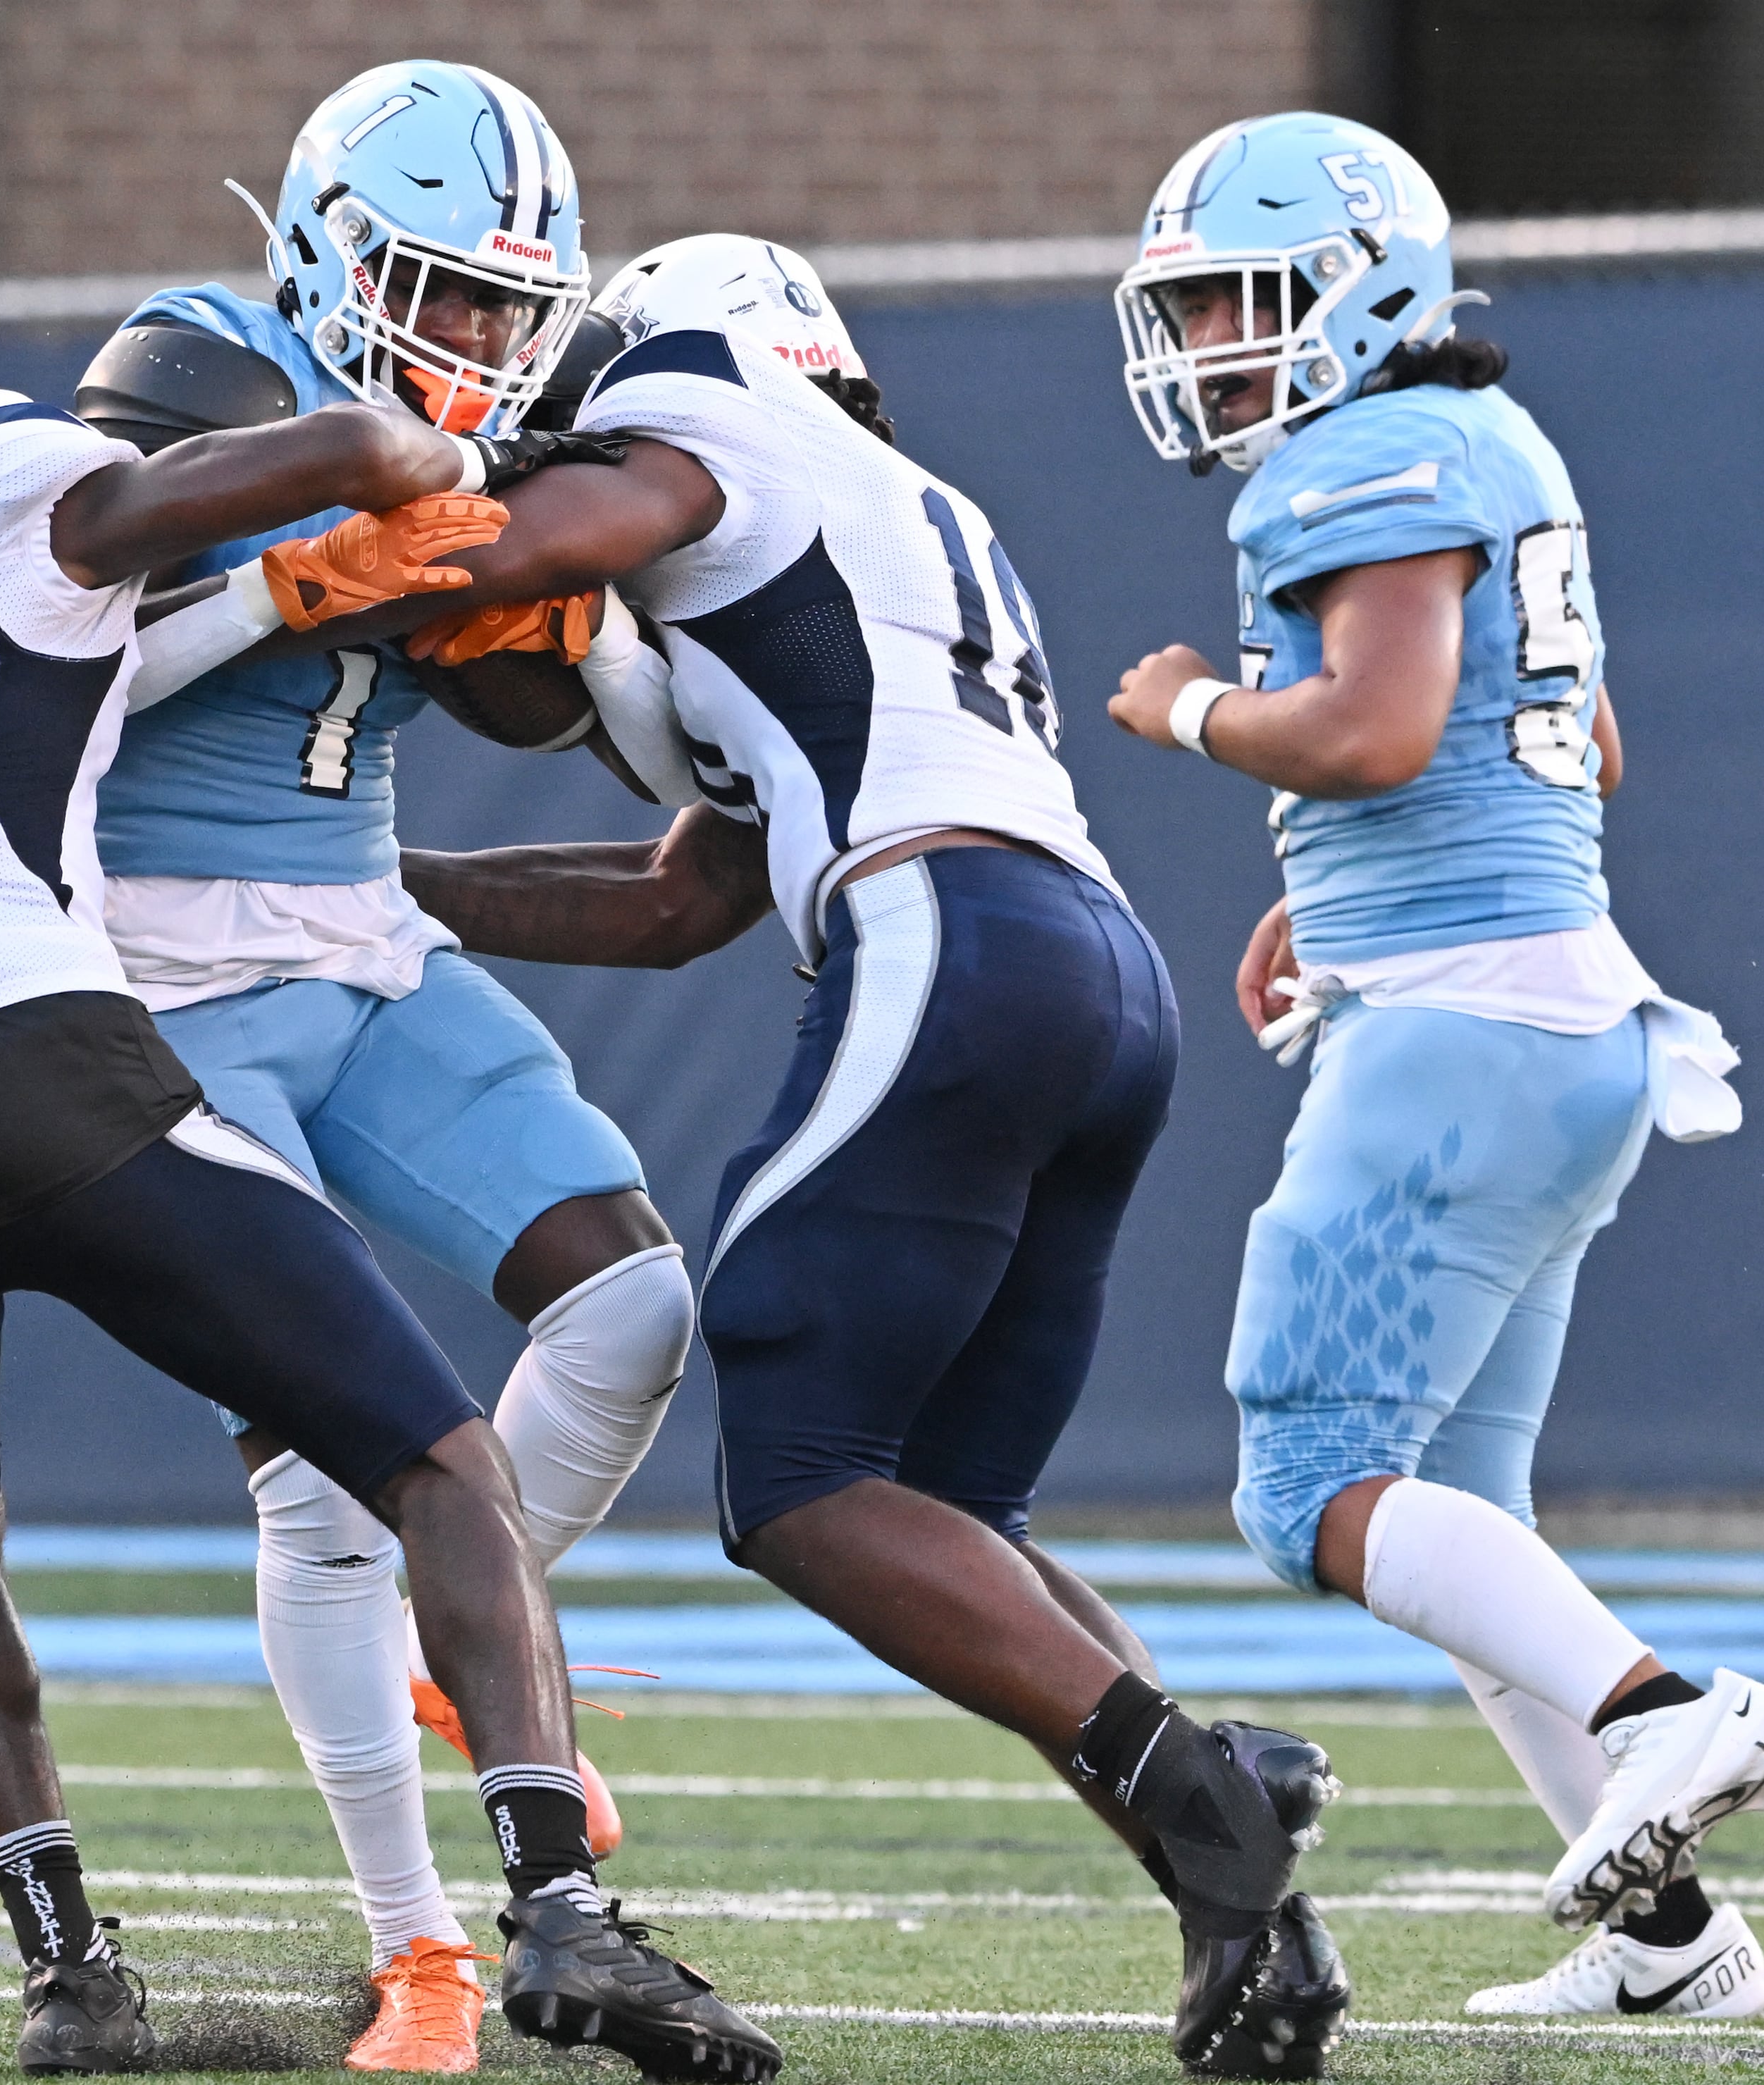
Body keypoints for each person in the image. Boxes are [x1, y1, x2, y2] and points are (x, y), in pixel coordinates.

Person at [0, 331, 781, 2083]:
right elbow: (309, 449)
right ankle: (558, 1913)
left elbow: (28, 703)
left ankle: (66, 1977)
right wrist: (418, 465)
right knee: (436, 1462)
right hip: (35, 1062)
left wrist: (270, 601)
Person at [319, 235, 1351, 2080]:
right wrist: (388, 890)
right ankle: (1247, 1918)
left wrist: (324, 553)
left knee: (796, 1478)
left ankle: (1205, 1790)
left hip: (941, 937)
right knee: (950, 1518)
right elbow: (681, 902)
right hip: (1092, 973)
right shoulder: (882, 525)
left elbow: (540, 546)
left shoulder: (698, 408)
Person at [1103, 111, 1764, 2022]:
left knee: (1309, 1479)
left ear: (1364, 287)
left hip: (1464, 1042)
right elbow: (1578, 755)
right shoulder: (1493, 445)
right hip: (1562, 1022)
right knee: (1456, 1512)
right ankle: (1671, 1948)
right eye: (1196, 309)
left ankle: (1668, 1711)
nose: (1218, 346)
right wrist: (1339, 913)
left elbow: (1384, 729)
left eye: (1245, 302)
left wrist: (1193, 712)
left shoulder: (1368, 454)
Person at [68, 62, 695, 2074]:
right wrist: (278, 577)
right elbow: (37, 659)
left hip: (369, 942)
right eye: (447, 292)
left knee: (632, 1292)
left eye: (517, 308)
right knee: (333, 1465)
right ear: (329, 254)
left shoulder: (488, 431)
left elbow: (628, 750)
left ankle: (471, 1636)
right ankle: (420, 1950)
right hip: (162, 966)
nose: (490, 346)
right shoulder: (193, 369)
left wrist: (579, 621)